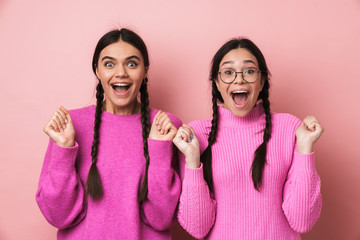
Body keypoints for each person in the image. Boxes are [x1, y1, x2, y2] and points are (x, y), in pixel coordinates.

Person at [36, 28, 182, 240]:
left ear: (145, 70)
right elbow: (58, 216)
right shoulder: (70, 125)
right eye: (109, 64)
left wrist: (159, 151)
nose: (121, 72)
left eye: (132, 63)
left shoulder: (165, 126)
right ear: (97, 70)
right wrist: (64, 150)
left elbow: (162, 218)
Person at [173, 38, 323, 239]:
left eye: (249, 71)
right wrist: (192, 160)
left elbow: (303, 221)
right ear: (216, 83)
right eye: (228, 72)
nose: (239, 79)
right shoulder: (195, 135)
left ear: (262, 81)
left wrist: (305, 149)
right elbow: (197, 228)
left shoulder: (289, 129)